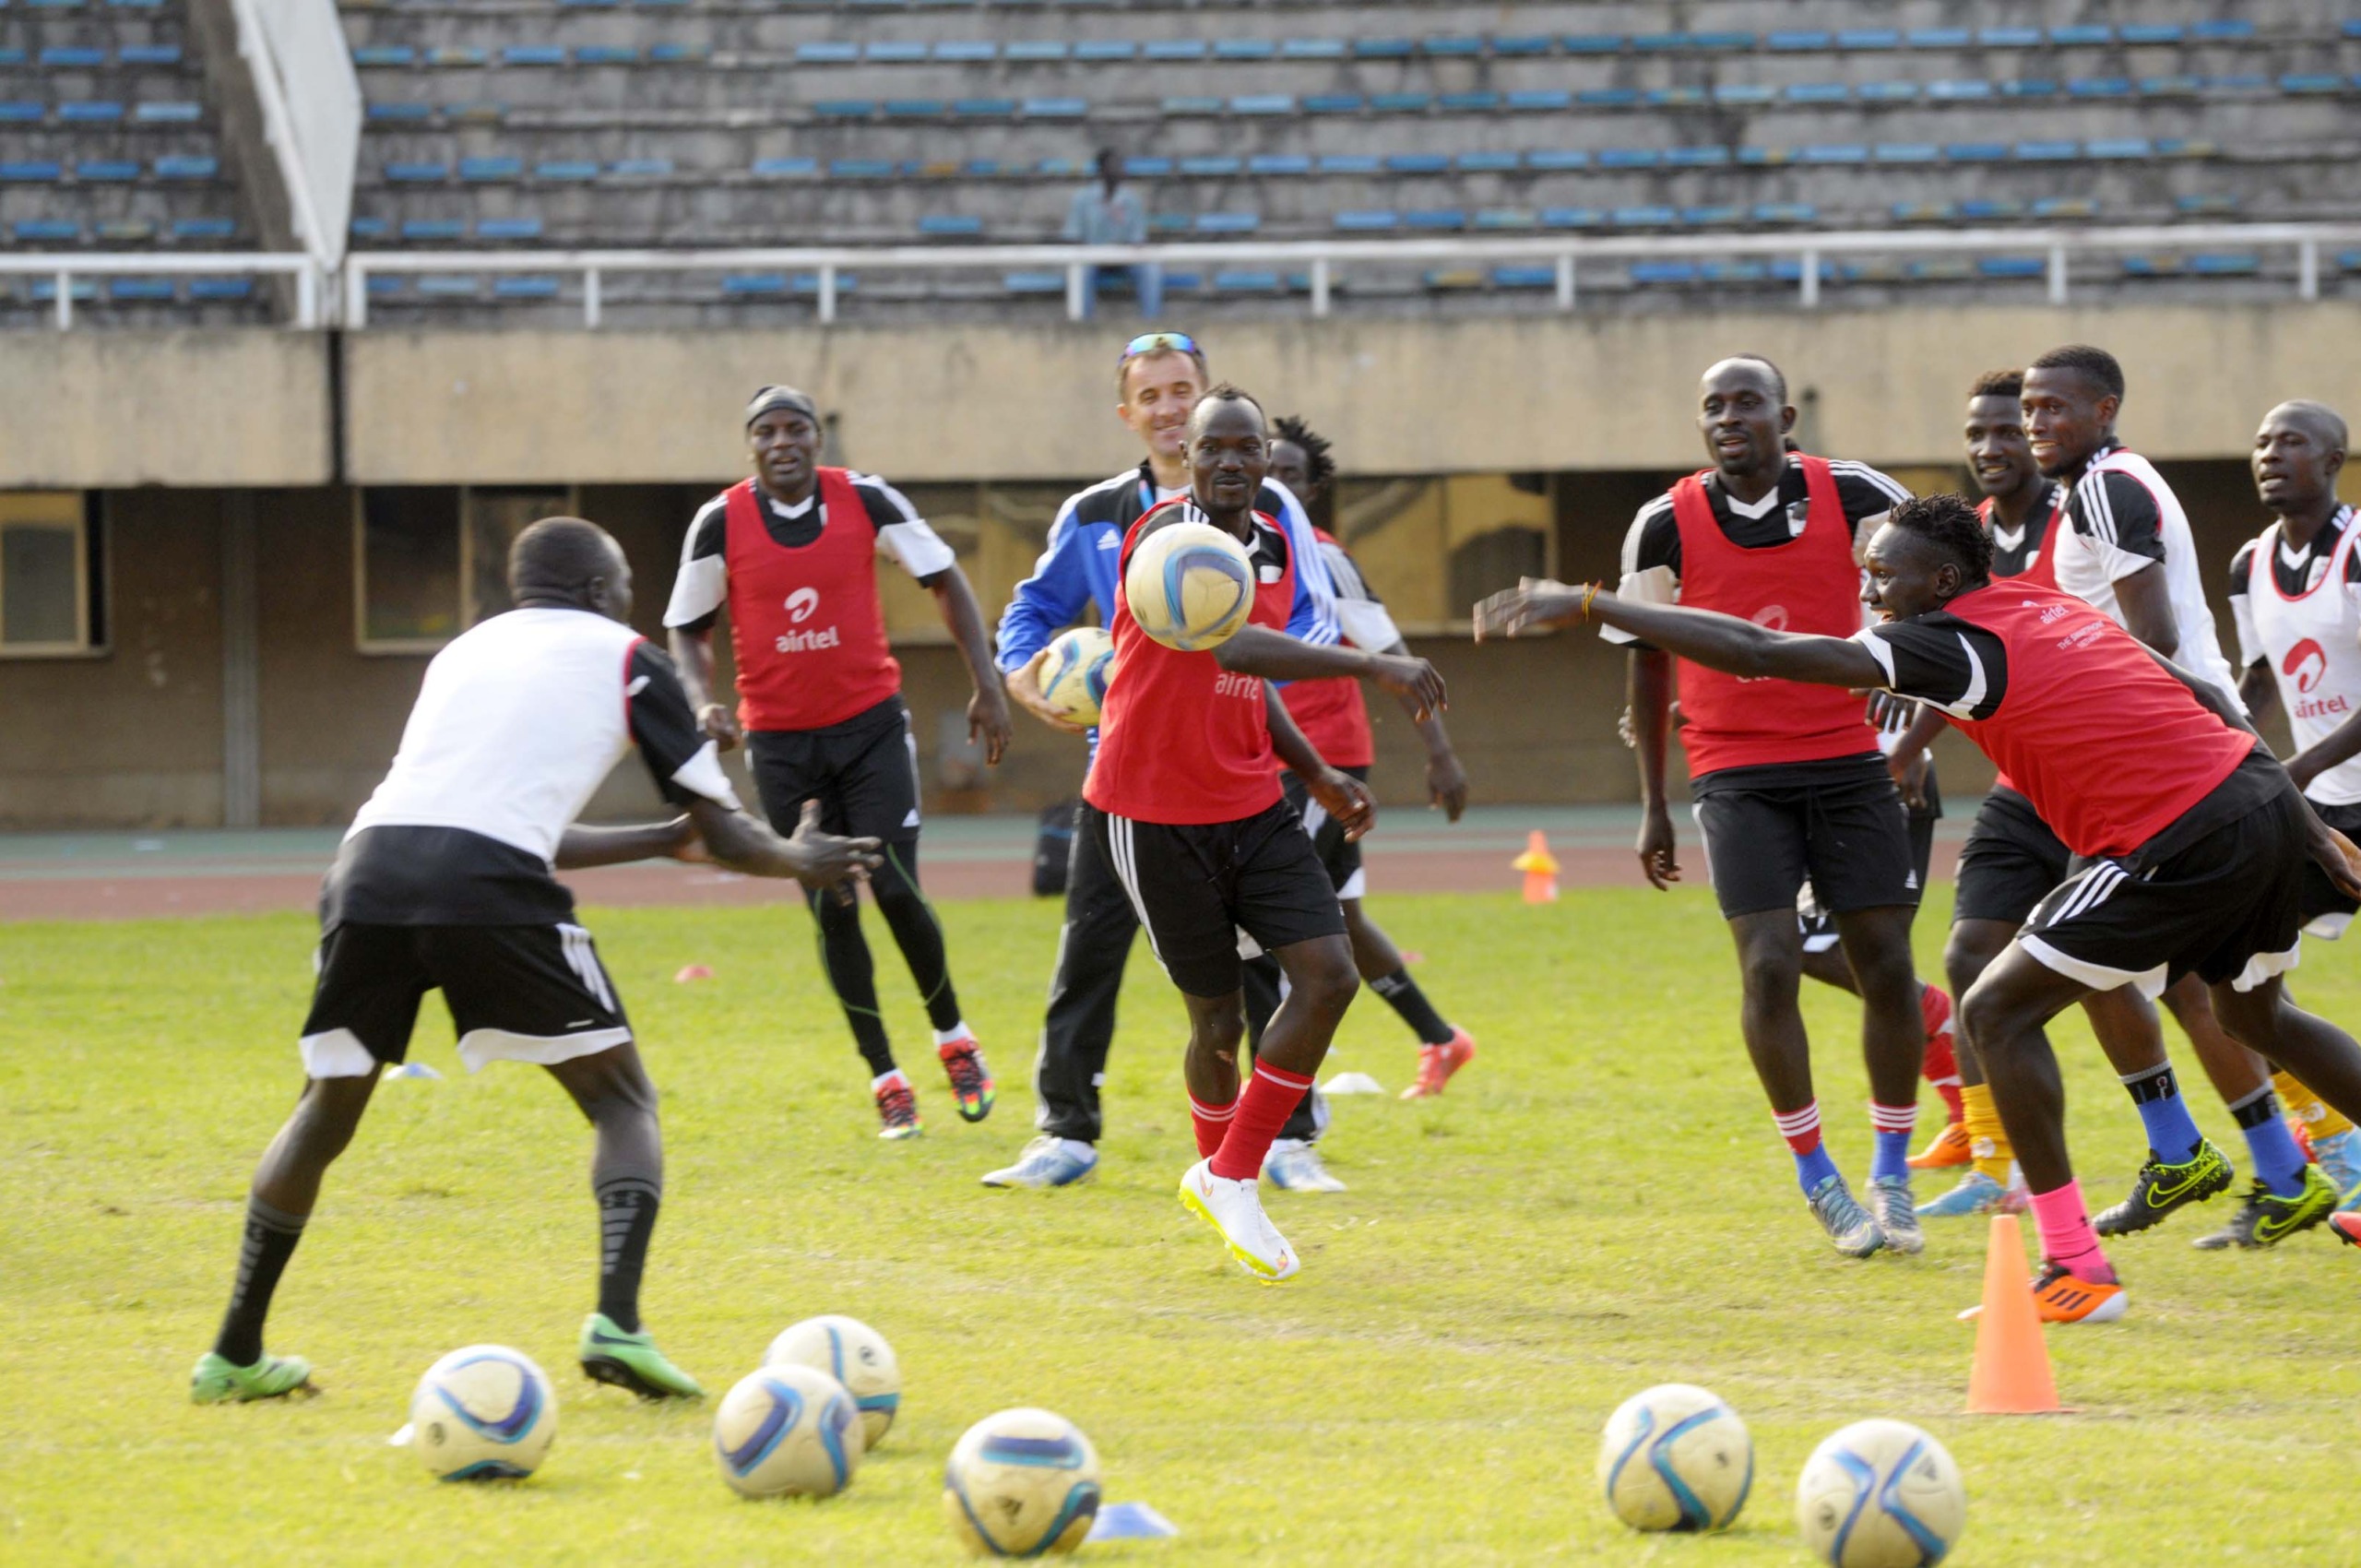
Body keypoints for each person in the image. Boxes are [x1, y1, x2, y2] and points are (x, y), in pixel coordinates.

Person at [1478, 493, 2361, 1322]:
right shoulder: (2048, 604)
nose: (1867, 590)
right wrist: (2314, 835)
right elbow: (2205, 696)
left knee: (1995, 1009)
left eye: (1883, 574)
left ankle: (2076, 1269)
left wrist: (1597, 603)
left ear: (1942, 582)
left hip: (2182, 834)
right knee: (2257, 1013)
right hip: (2257, 802)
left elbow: (1763, 653)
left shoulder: (1947, 641)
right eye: (1864, 571)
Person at [192, 517, 882, 1404]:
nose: (629, 596)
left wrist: (659, 843)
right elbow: (728, 832)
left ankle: (234, 1355)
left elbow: (494, 814)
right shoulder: (631, 658)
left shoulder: (464, 654)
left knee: (325, 1112)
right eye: (625, 579)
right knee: (623, 1100)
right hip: (485, 881)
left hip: (365, 870)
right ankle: (617, 1325)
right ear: (600, 589)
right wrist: (798, 858)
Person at [1092, 385, 1446, 1280]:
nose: (1228, 463)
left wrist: (1318, 770)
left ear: (1262, 459)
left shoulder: (1281, 545)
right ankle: (1226, 1181)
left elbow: (1256, 683)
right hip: (1153, 807)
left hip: (1251, 799)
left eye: (1244, 448)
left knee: (1326, 974)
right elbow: (1235, 647)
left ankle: (1231, 1175)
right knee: (1213, 1022)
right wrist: (1374, 663)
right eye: (1211, 447)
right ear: (1189, 456)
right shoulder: (1163, 539)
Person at [980, 333, 1341, 1190]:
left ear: (1208, 399)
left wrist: (1249, 681)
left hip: (1234, 763)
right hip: (1125, 777)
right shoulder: (1099, 513)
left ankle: (1284, 1142)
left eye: (1184, 391)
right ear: (1130, 415)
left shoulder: (1276, 511)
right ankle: (1064, 1133)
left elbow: (1314, 626)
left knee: (1264, 965)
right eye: (1153, 397)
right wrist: (1031, 684)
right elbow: (1029, 614)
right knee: (1088, 952)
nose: (1171, 409)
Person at [1607, 354, 1931, 1258]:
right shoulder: (1661, 523)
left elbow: (1946, 571)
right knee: (1768, 966)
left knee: (1885, 963)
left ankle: (1892, 1170)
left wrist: (1913, 671)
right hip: (1734, 768)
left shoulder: (1858, 491)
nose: (1727, 417)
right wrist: (1652, 803)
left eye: (1744, 402)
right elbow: (1643, 652)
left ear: (1784, 414)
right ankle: (1816, 1174)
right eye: (1711, 405)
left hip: (1849, 757)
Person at [667, 385, 1014, 1140]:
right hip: (782, 746)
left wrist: (985, 684)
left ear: (818, 441)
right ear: (749, 445)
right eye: (767, 431)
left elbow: (946, 577)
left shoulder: (865, 498)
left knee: (894, 885)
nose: (782, 441)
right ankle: (887, 1080)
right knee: (832, 905)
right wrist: (702, 701)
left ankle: (953, 1038)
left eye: (797, 428)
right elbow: (687, 630)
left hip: (871, 731)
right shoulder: (719, 521)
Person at [2015, 344, 2305, 1241]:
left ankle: (2205, 1154)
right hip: (2175, 765)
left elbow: (2153, 635)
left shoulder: (2106, 489)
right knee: (2206, 987)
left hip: (2160, 769)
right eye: (2027, 408)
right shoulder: (2092, 491)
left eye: (2052, 407)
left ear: (2104, 409)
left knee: (2073, 957)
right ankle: (2274, 1168)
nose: (2035, 424)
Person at [1891, 371, 2188, 1224]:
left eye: (2011, 431)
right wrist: (1909, 747)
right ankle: (1995, 1162)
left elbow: (2140, 646)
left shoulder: (2084, 514)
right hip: (2030, 781)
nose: (1993, 447)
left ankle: (2266, 1151)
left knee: (2197, 983)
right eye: (1980, 432)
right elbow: (1958, 656)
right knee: (1969, 953)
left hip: (2115, 772)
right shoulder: (1972, 537)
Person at [1250, 415, 1478, 1151]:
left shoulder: (1322, 556)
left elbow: (1391, 653)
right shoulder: (1230, 553)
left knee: (1276, 922)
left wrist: (1439, 752)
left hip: (1327, 762)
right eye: (1265, 469)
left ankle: (1288, 1100)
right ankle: (1441, 1040)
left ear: (1312, 491)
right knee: (1341, 920)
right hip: (1267, 761)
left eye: (1289, 473)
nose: (1271, 483)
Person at [2225, 398, 2361, 1223]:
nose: (2270, 453)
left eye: (2291, 441)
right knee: (2234, 979)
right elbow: (2256, 686)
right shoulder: (2248, 564)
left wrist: (2294, 768)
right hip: (2320, 817)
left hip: (2314, 792)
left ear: (2336, 458)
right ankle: (2335, 1153)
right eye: (2261, 440)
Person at [1062, 148, 1159, 320]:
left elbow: (1138, 237)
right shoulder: (1083, 199)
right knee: (1082, 273)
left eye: (1120, 165)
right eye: (1113, 165)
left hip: (1124, 259)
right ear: (1101, 170)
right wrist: (1091, 250)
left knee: (1150, 270)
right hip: (1092, 259)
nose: (1119, 169)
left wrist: (1131, 247)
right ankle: (1083, 324)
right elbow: (1073, 234)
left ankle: (1150, 322)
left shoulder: (1130, 200)